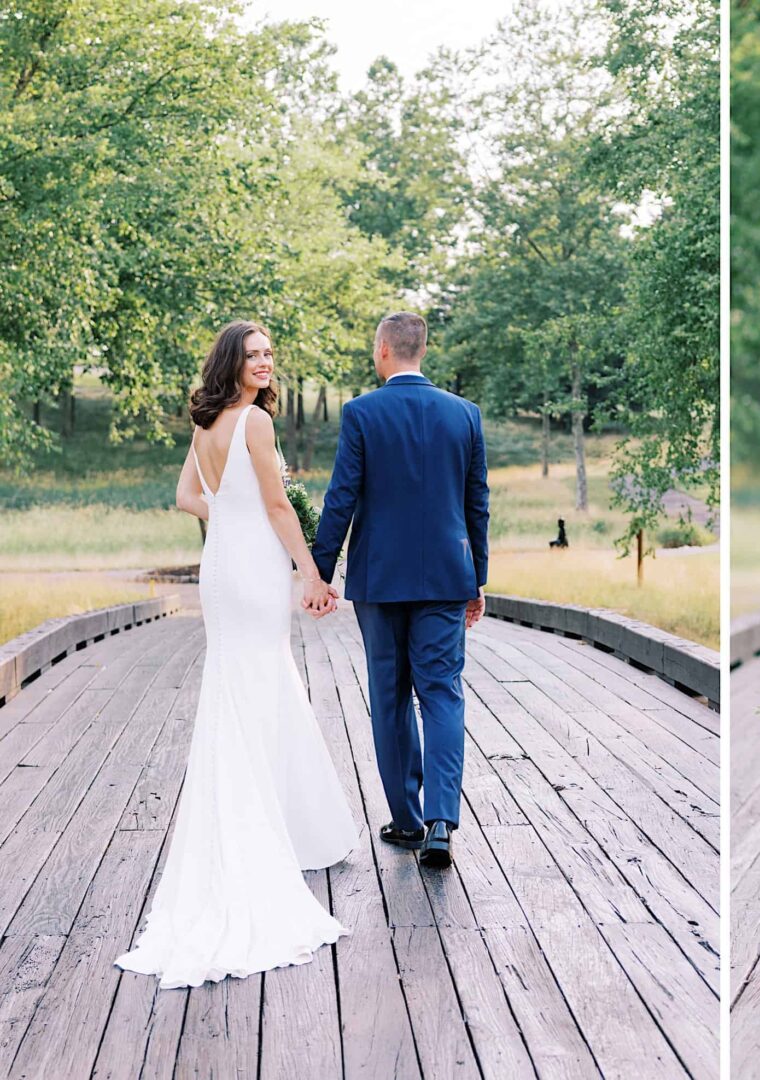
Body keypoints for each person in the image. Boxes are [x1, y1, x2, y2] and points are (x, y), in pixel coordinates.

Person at [116, 321, 357, 988]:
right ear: (232, 361)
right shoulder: (251, 421)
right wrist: (311, 572)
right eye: (252, 355)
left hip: (220, 561)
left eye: (269, 353)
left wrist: (230, 511)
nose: (264, 362)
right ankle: (261, 840)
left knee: (246, 684)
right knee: (256, 686)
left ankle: (281, 826)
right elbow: (279, 506)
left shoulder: (207, 422)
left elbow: (188, 497)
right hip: (249, 564)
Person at [311, 312, 490, 870]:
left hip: (380, 578)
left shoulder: (362, 413)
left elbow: (342, 497)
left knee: (389, 696)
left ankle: (407, 821)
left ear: (383, 349)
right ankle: (441, 819)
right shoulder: (465, 414)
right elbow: (476, 503)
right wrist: (476, 579)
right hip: (445, 576)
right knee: (441, 691)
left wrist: (318, 570)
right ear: (423, 349)